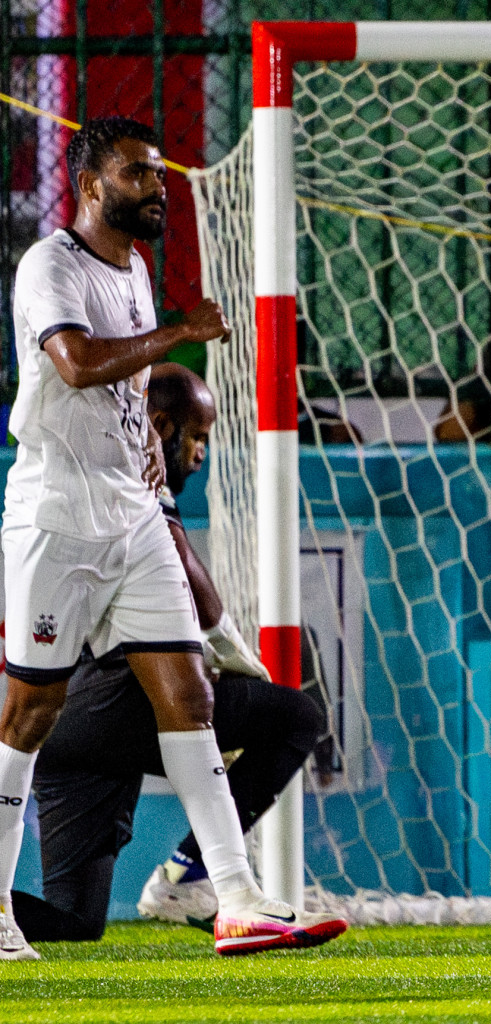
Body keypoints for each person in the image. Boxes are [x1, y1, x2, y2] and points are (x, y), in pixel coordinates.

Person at [0, 116, 344, 959]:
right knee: (28, 712)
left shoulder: (138, 269)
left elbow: (122, 392)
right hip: (55, 520)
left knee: (188, 695)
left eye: (158, 174)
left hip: (130, 515)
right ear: (90, 186)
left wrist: (148, 448)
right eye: (138, 175)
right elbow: (76, 365)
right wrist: (179, 331)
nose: (158, 188)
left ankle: (235, 897)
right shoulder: (50, 265)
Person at [6, 364, 327, 942]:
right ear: (158, 425)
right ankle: (189, 876)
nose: (201, 452)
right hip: (112, 695)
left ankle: (188, 879)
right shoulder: (134, 474)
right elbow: (184, 574)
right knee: (297, 716)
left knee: (75, 922)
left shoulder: (87, 474)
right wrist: (233, 651)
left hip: (68, 731)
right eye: (197, 435)